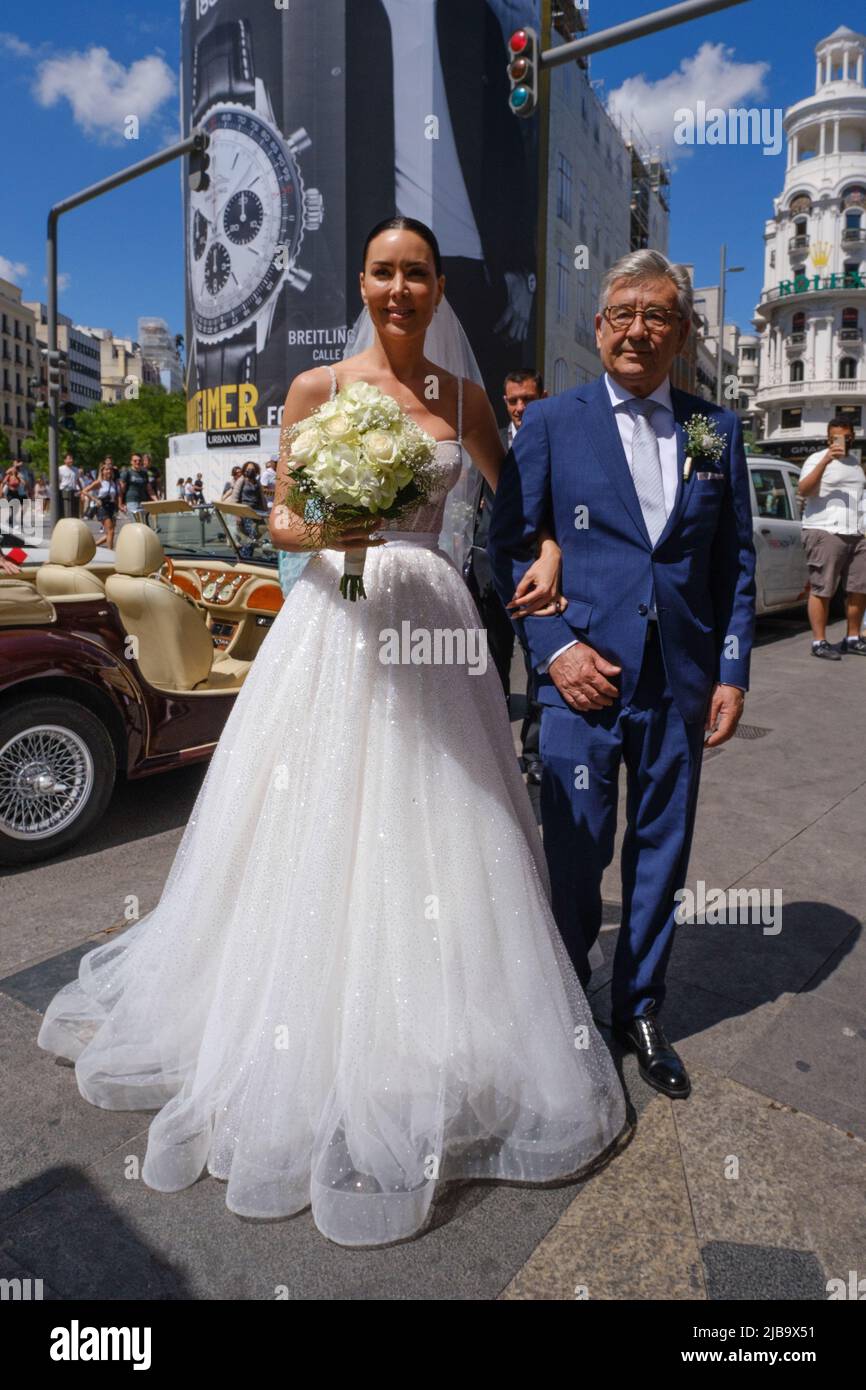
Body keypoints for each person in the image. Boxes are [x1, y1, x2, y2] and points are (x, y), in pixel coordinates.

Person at [37, 218, 626, 1248]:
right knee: (314, 811)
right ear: (362, 281)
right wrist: (341, 521)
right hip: (335, 615)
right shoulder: (316, 392)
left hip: (435, 622)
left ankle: (436, 1031)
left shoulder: (464, 401)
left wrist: (546, 550)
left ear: (439, 288)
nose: (400, 288)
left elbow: (514, 493)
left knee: (447, 816)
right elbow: (282, 522)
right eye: (383, 272)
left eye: (417, 274)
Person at [489, 248, 757, 1102]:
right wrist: (557, 649)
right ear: (599, 329)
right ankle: (566, 1006)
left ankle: (640, 1008)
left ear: (682, 333)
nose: (638, 329)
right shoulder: (552, 424)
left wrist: (731, 670)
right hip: (582, 683)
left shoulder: (716, 430)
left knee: (662, 856)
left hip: (678, 684)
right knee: (572, 854)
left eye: (658, 315)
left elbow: (735, 561)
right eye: (622, 315)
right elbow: (506, 551)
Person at [464, 369, 546, 784]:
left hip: (537, 576)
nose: (519, 408)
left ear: (542, 397)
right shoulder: (490, 438)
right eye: (512, 401)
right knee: (491, 667)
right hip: (487, 574)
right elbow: (473, 500)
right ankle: (496, 752)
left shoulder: (555, 438)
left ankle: (534, 755)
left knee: (539, 668)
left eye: (527, 399)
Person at [797, 419, 866, 659]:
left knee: (859, 588)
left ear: (852, 437)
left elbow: (860, 498)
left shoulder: (855, 464)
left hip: (856, 533)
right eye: (836, 437)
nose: (842, 441)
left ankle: (853, 638)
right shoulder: (816, 459)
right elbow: (803, 490)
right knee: (822, 588)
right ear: (828, 438)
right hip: (824, 530)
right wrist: (826, 460)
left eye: (847, 437)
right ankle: (819, 641)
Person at [80, 461, 121, 549]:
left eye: (110, 470)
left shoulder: (113, 483)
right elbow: (84, 491)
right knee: (110, 531)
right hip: (102, 507)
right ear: (102, 471)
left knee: (111, 532)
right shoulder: (99, 482)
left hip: (111, 507)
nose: (108, 471)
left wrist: (118, 507)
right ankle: (110, 552)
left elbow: (116, 496)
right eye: (106, 469)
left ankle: (93, 546)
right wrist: (95, 499)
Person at [230, 462, 266, 559]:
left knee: (257, 533)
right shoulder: (241, 481)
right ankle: (245, 557)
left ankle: (244, 555)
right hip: (244, 512)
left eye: (253, 469)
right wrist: (237, 514)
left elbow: (261, 498)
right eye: (248, 469)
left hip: (255, 512)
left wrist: (265, 511)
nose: (250, 471)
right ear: (244, 470)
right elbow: (235, 498)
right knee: (249, 535)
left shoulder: (257, 482)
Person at [119, 452, 156, 519]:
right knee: (136, 524)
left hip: (143, 502)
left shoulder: (144, 473)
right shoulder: (127, 472)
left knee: (143, 524)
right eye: (135, 461)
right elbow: (121, 490)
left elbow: (149, 489)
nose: (137, 462)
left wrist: (156, 500)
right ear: (131, 462)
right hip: (132, 502)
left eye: (139, 460)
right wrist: (120, 504)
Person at [58, 453, 80, 519]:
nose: (71, 460)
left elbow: (77, 480)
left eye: (72, 458)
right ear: (65, 460)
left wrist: (80, 490)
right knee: (65, 511)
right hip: (64, 491)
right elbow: (58, 480)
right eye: (69, 459)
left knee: (73, 512)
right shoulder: (60, 469)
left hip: (73, 491)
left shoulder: (76, 469)